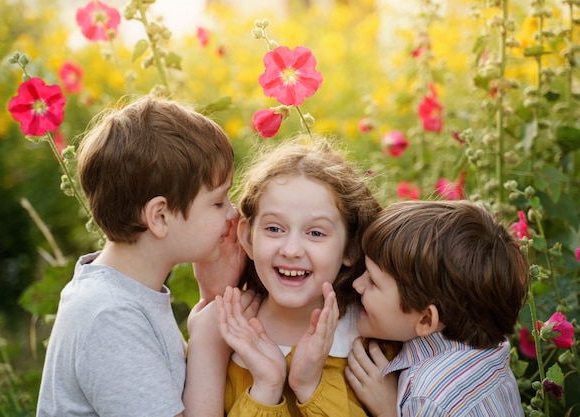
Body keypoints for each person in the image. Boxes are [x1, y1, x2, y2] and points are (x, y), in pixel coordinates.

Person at [36, 95, 241, 417]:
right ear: (160, 217)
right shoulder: (109, 315)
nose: (233, 212)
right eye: (217, 202)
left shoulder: (126, 294)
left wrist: (213, 296)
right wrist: (208, 343)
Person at [212, 137, 382, 416]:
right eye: (274, 229)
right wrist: (266, 388)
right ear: (247, 237)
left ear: (351, 247)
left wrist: (311, 386)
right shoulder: (228, 334)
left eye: (316, 233)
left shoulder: (370, 344)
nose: (291, 250)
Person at [345, 200, 528, 417]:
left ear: (425, 320)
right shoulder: (490, 348)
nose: (357, 284)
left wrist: (388, 411)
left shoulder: (428, 399)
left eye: (373, 281)